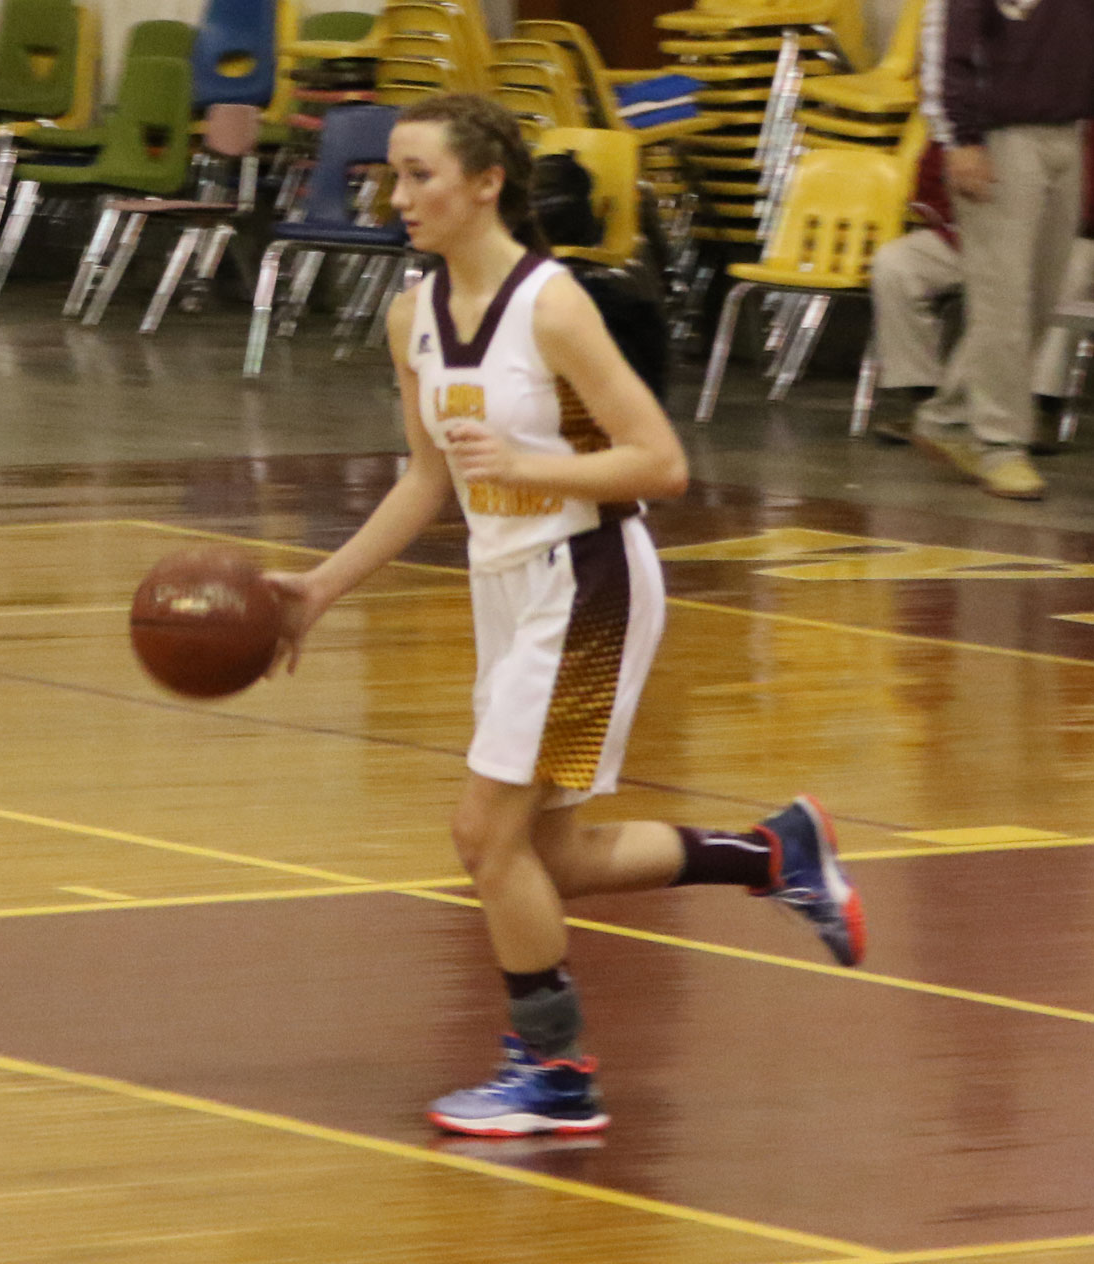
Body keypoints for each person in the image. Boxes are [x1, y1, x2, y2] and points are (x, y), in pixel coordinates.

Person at [265, 94, 866, 1139]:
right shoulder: (413, 315)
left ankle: (554, 1069)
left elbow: (661, 464)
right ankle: (775, 854)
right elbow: (427, 480)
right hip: (506, 590)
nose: (396, 195)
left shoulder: (550, 306)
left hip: (589, 583)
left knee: (482, 836)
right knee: (552, 857)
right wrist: (320, 588)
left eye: (419, 175)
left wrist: (532, 466)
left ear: (485, 182)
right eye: (393, 175)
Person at [914, 0, 1094, 500]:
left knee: (1040, 298)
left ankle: (950, 416)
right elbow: (944, 42)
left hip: (1068, 130)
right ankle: (998, 444)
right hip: (1000, 140)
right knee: (1004, 299)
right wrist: (958, 139)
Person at [870, 133, 1094, 450]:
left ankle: (1038, 406)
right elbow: (929, 186)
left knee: (1077, 265)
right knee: (895, 262)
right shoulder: (968, 120)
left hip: (1048, 247)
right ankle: (930, 402)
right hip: (966, 238)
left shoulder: (1074, 125)